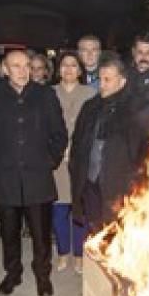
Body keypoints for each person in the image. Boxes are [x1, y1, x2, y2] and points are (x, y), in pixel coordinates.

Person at [0, 50, 68, 296]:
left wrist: (50, 160)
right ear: (4, 70)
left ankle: (43, 275)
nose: (22, 71)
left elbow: (59, 134)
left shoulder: (45, 95)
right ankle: (13, 273)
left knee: (41, 234)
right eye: (15, 66)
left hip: (38, 176)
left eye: (26, 65)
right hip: (5, 177)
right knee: (9, 232)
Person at [69, 53, 147, 233]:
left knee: (117, 233)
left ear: (122, 81)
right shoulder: (90, 107)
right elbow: (78, 144)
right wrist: (77, 171)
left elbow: (142, 151)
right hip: (90, 181)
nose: (101, 84)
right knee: (95, 230)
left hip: (120, 184)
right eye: (100, 79)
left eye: (107, 80)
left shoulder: (135, 109)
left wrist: (137, 182)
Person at [52, 52, 94, 272]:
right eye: (64, 65)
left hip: (81, 161)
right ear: (58, 70)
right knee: (58, 211)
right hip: (56, 162)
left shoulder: (90, 94)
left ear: (80, 70)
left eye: (73, 65)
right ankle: (62, 253)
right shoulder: (49, 93)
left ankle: (79, 254)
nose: (69, 69)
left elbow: (94, 129)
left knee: (80, 212)